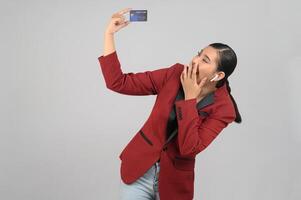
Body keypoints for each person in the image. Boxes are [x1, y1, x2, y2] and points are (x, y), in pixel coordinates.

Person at [98, 8, 242, 200]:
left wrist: (190, 99)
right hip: (139, 171)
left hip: (174, 184)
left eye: (204, 60)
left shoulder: (225, 110)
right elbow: (118, 82)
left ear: (218, 75)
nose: (194, 60)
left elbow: (189, 148)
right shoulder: (174, 74)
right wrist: (109, 35)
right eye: (199, 54)